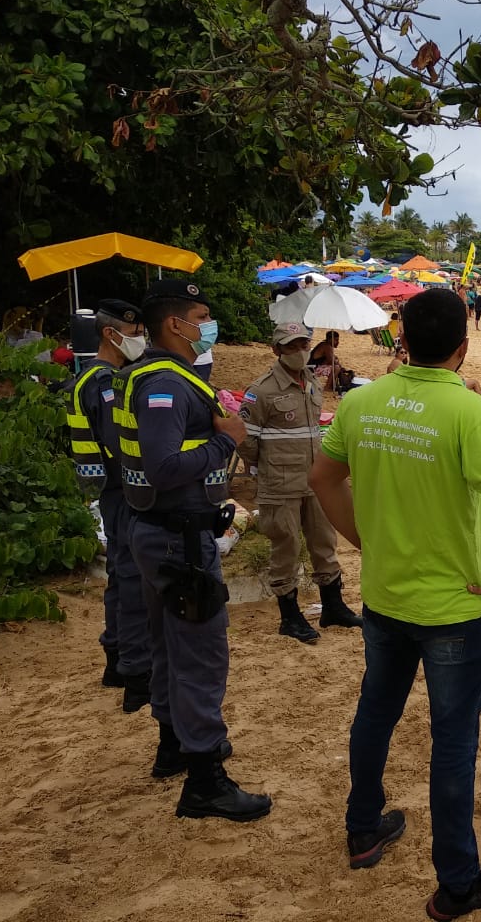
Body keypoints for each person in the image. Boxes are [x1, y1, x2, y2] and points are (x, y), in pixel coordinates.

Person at [308, 288, 481, 919]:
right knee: (452, 742)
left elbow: (322, 480)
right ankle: (458, 884)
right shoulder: (467, 412)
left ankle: (363, 827)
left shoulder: (362, 401)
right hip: (453, 610)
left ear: (401, 338)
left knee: (375, 715)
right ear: (463, 350)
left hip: (384, 599)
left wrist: (366, 541)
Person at [117, 277, 270, 821]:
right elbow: (160, 467)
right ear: (176, 324)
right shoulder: (163, 384)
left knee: (166, 645)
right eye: (202, 315)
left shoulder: (144, 376)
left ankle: (173, 747)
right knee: (201, 656)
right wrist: (226, 440)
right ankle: (206, 779)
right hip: (177, 538)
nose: (209, 325)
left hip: (158, 533)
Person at [238, 322, 361, 646]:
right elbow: (245, 440)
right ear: (277, 350)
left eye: (303, 344)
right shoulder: (261, 390)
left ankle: (332, 605)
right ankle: (289, 616)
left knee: (324, 542)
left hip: (314, 479)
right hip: (280, 483)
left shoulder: (311, 382)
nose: (299, 351)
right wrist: (263, 468)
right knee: (286, 547)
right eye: (291, 346)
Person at [65, 298, 150, 709]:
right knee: (133, 583)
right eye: (134, 334)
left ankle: (116, 659)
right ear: (109, 334)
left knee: (121, 578)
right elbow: (123, 447)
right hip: (124, 493)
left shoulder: (90, 378)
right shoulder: (105, 384)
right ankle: (135, 676)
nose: (140, 340)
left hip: (111, 494)